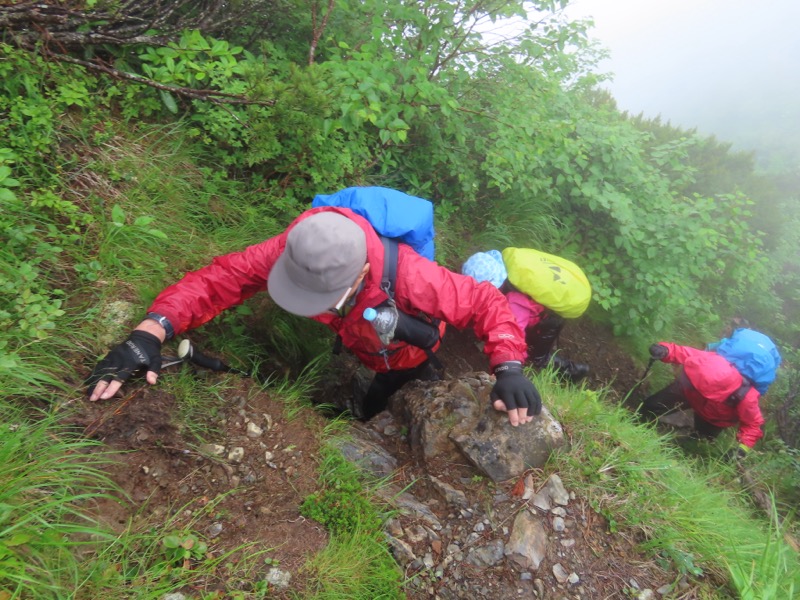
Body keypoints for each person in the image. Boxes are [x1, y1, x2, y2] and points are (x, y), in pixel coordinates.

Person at [86, 206, 541, 426]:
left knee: (393, 386)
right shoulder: (296, 249)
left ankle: (376, 409)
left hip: (405, 353)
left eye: (324, 297)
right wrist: (151, 330)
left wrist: (508, 366)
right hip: (363, 346)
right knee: (372, 388)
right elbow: (217, 280)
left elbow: (486, 303)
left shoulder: (415, 278)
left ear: (363, 272)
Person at [461, 250, 590, 382]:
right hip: (559, 292)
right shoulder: (510, 264)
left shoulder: (515, 303)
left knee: (539, 357)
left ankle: (574, 372)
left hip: (552, 317)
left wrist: (513, 362)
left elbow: (515, 333)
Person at [641, 342, 765, 458]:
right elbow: (684, 353)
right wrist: (665, 349)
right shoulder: (709, 360)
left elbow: (752, 425)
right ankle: (638, 424)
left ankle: (682, 450)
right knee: (650, 406)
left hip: (714, 418)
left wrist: (741, 449)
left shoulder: (746, 396)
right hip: (688, 393)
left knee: (698, 442)